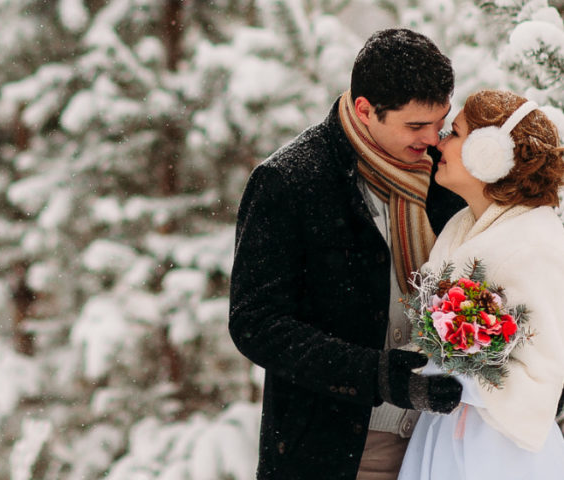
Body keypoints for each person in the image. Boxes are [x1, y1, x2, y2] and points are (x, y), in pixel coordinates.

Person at [229, 28, 467, 479]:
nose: (433, 139)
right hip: (341, 452)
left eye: (440, 121)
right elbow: (255, 323)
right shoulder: (290, 181)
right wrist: (375, 374)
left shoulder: (447, 178)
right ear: (365, 109)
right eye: (415, 126)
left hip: (444, 444)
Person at [397, 89, 564, 479]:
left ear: (489, 153)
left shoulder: (537, 242)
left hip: (499, 449)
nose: (440, 142)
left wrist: (464, 377)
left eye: (454, 133)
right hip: (446, 431)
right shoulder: (462, 224)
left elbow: (545, 371)